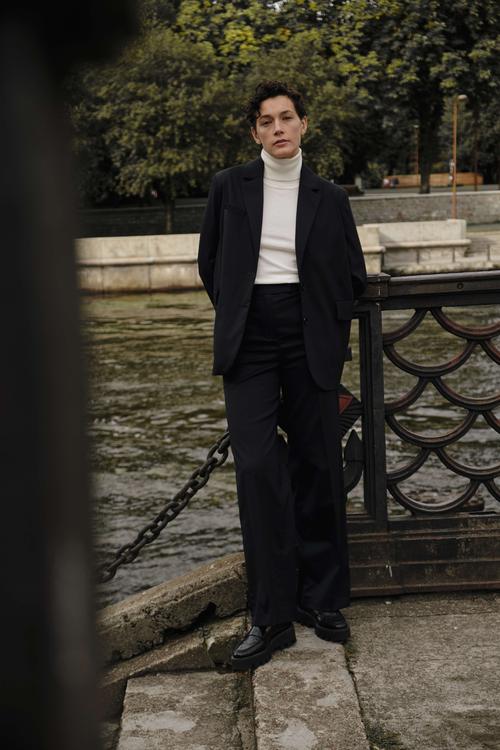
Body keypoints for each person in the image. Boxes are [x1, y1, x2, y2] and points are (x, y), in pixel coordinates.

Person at [197, 80, 367, 671]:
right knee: (257, 469)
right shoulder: (229, 186)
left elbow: (353, 272)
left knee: (319, 464)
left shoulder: (330, 196)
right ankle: (269, 617)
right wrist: (239, 313)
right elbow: (209, 262)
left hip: (310, 335)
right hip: (249, 338)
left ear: (303, 125)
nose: (278, 128)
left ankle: (323, 600)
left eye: (287, 117)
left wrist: (328, 325)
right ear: (256, 133)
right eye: (267, 121)